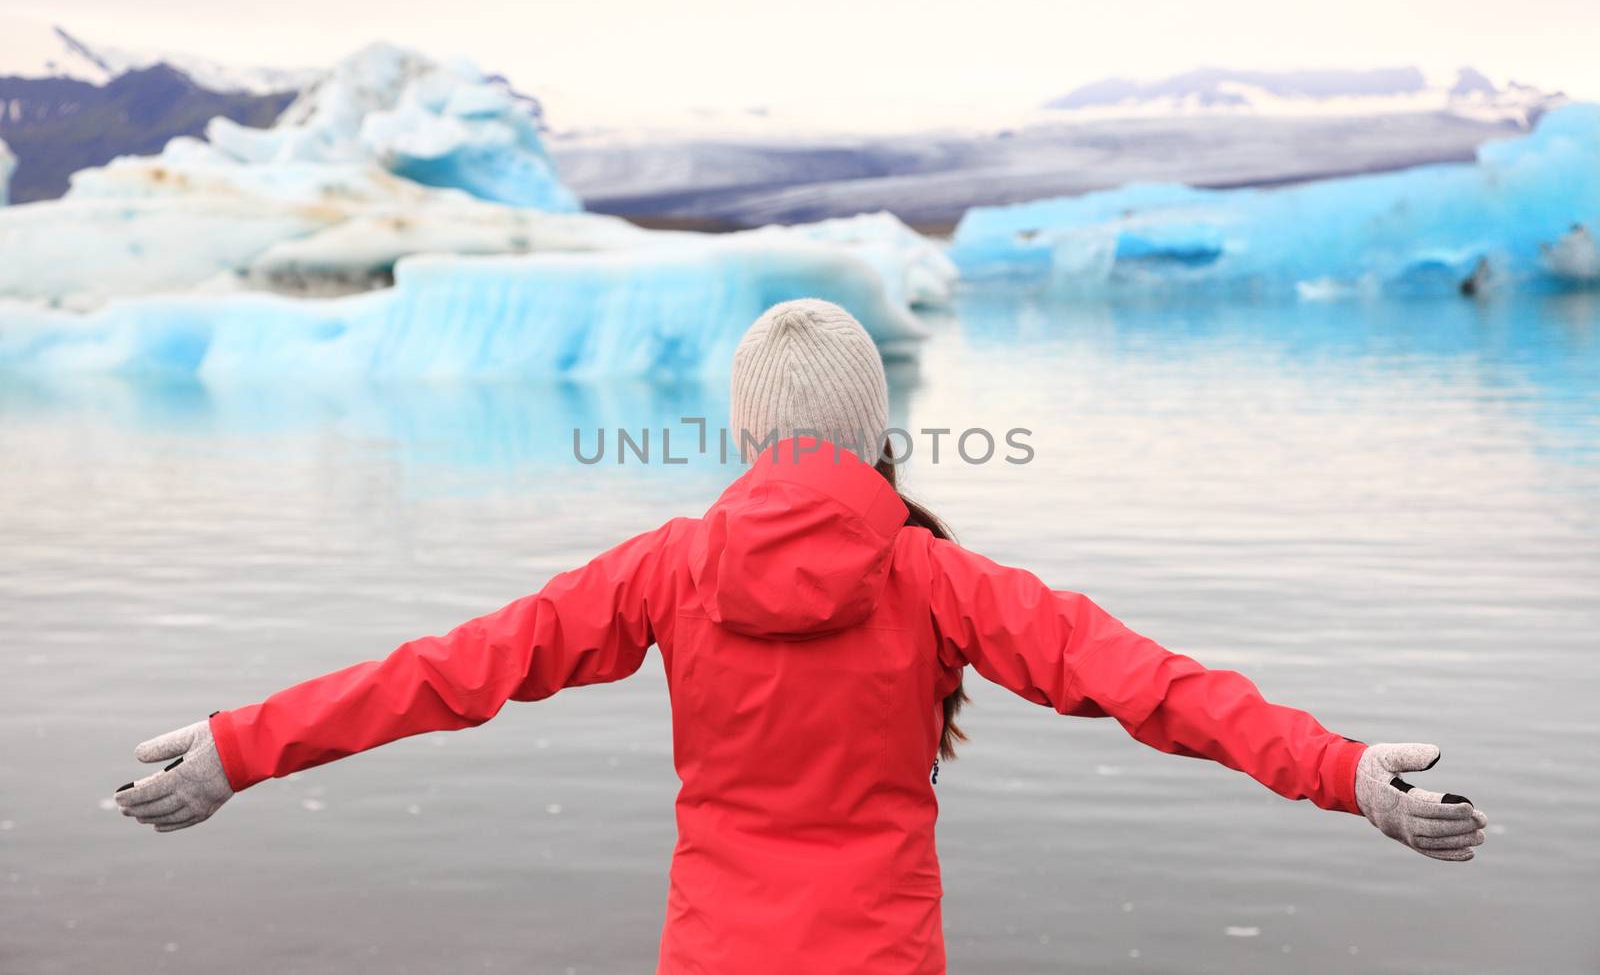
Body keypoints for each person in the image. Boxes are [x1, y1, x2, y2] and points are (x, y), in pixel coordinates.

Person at [113, 299, 1487, 974]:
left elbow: (448, 672)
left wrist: (243, 746)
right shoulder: (936, 576)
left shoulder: (668, 570)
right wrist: (1344, 769)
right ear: (877, 436)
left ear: (745, 434)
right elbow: (1157, 689)